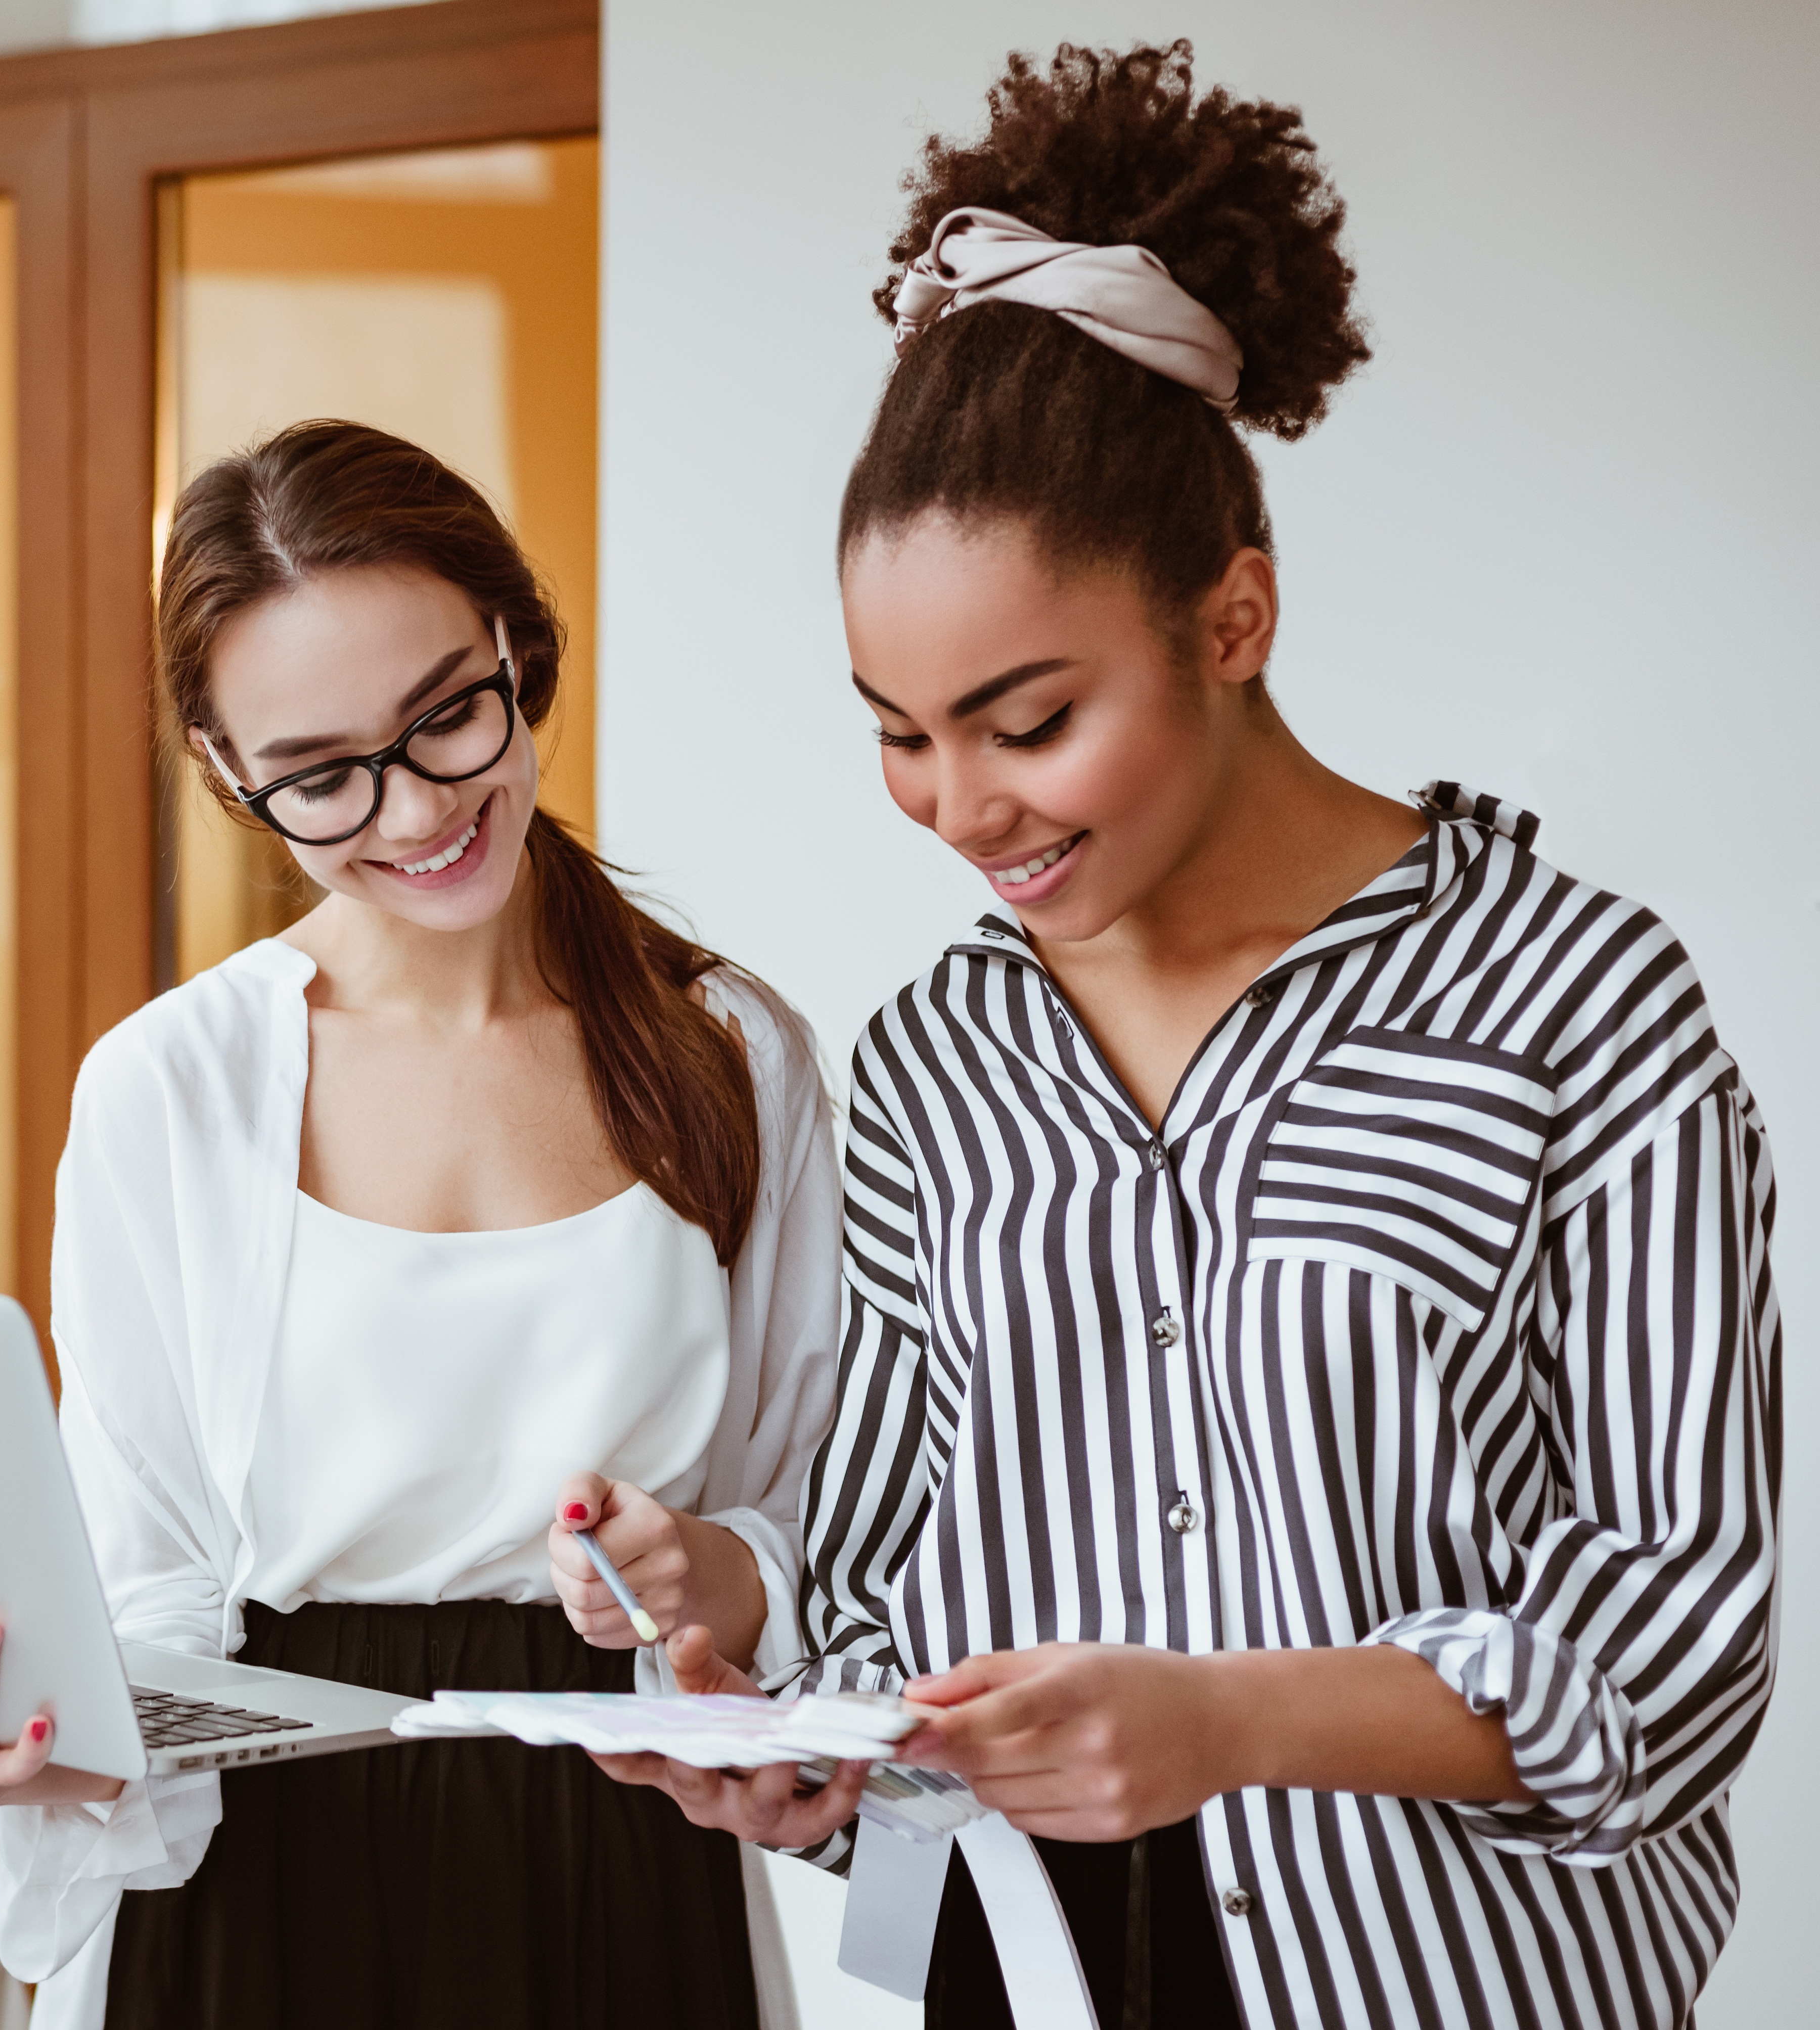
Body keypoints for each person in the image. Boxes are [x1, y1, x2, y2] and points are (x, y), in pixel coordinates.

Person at [597, 42, 1779, 2029]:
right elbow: (891, 1577)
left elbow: (1670, 1650)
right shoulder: (935, 1065)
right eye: (898, 731)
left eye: (1027, 718)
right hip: (1023, 1970)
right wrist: (785, 1700)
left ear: (1230, 619)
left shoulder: (1576, 1005)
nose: (960, 808)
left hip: (1443, 1984)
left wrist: (1224, 1717)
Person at [0, 420, 845, 2027]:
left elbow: (822, 1534)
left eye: (450, 714)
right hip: (256, 1881)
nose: (414, 809)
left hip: (619, 1853)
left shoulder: (733, 1055)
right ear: (228, 776)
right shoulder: (173, 1088)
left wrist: (709, 1571)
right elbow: (144, 1595)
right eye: (321, 775)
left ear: (522, 649)